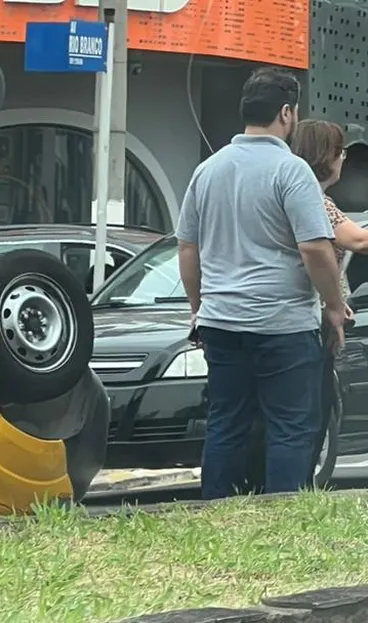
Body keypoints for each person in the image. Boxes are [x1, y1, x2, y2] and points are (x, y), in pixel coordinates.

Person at [175, 67, 347, 500]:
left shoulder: (207, 171)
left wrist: (199, 306)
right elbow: (315, 248)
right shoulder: (291, 172)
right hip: (282, 325)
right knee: (290, 426)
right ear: (287, 113)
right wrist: (332, 303)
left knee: (226, 423)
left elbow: (187, 249)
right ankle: (282, 516)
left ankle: (215, 513)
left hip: (221, 322)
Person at [290, 119, 368, 483]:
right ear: (329, 156)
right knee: (310, 410)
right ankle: (295, 486)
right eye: (341, 152)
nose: (344, 159)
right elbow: (358, 241)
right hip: (313, 318)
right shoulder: (314, 200)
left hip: (305, 316)